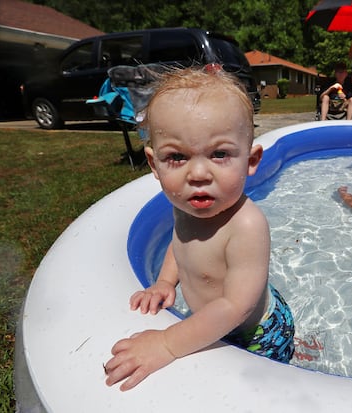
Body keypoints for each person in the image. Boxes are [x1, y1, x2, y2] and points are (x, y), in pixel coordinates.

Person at [104, 67, 294, 391]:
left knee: (258, 392)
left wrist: (166, 344)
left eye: (219, 154)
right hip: (213, 319)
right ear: (154, 164)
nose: (198, 174)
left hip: (256, 334)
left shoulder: (246, 224)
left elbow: (235, 306)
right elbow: (181, 243)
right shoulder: (187, 204)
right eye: (177, 157)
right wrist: (165, 282)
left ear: (251, 161)